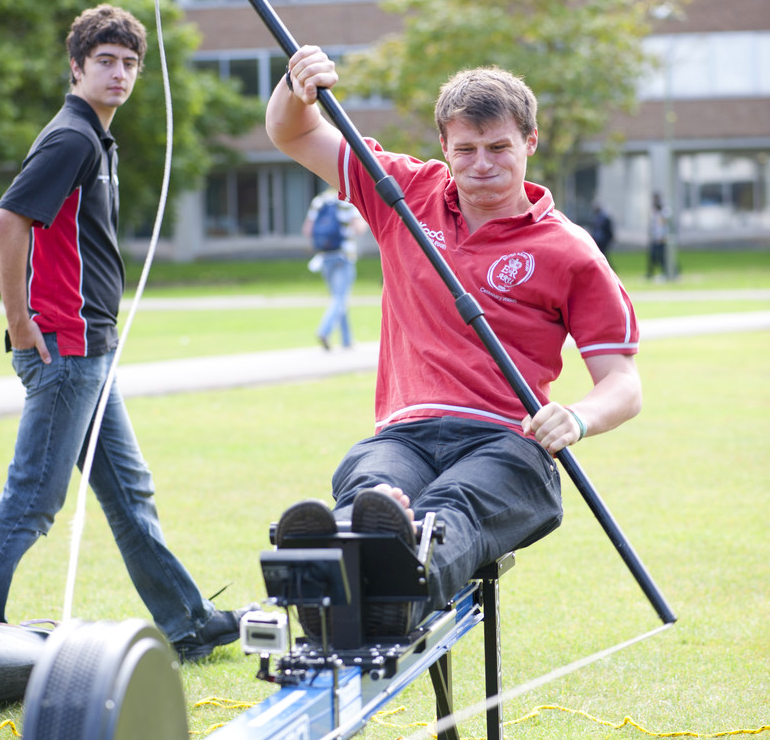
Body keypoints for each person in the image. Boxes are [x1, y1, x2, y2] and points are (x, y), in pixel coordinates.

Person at [266, 46, 643, 625]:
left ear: (530, 143)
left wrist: (578, 417)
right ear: (444, 146)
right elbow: (293, 134)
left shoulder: (570, 252)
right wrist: (297, 87)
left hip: (508, 441)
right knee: (371, 482)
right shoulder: (403, 193)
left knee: (450, 508)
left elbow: (622, 382)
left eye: (499, 148)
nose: (481, 164)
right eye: (465, 149)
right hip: (407, 434)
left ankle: (385, 588)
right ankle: (345, 575)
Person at [0, 5, 244, 661]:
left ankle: (187, 622)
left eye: (128, 62)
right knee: (34, 498)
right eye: (104, 61)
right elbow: (7, 221)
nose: (118, 73)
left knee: (129, 492)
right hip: (64, 349)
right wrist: (18, 320)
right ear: (76, 67)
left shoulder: (96, 139)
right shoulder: (71, 137)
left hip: (92, 349)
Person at [303, 187, 367, 350]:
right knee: (340, 298)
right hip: (344, 256)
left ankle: (346, 340)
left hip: (325, 256)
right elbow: (358, 229)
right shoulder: (347, 200)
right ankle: (324, 330)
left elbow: (307, 230)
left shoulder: (319, 201)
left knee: (338, 297)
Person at [646, 192, 669, 278]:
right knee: (653, 256)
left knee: (662, 256)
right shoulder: (654, 211)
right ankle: (650, 273)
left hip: (661, 238)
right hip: (656, 237)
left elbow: (664, 223)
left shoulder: (663, 210)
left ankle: (669, 271)